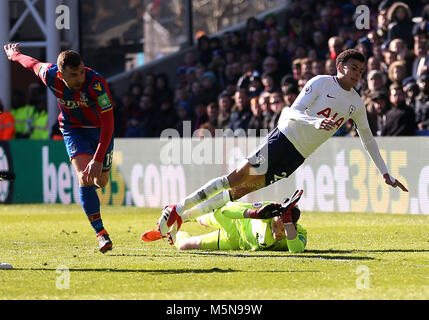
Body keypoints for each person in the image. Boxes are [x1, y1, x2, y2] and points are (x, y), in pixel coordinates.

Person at [156, 49, 409, 237]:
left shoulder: (355, 103)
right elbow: (293, 111)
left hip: (297, 156)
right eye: (354, 68)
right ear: (339, 66)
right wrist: (314, 122)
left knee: (240, 192)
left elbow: (367, 138)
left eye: (361, 71)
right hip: (283, 138)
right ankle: (178, 207)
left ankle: (184, 218)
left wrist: (384, 172)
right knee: (235, 178)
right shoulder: (321, 83)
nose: (357, 74)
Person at [4, 43, 114, 253]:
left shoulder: (97, 84)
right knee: (84, 177)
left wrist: (98, 158)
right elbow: (32, 64)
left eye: (81, 71)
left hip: (100, 130)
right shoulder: (50, 74)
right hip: (73, 129)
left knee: (102, 180)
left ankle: (97, 180)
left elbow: (109, 122)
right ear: (62, 75)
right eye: (74, 75)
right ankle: (101, 233)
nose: (80, 78)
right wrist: (15, 55)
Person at [143, 190, 306, 253]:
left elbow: (296, 250)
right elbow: (226, 210)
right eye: (276, 226)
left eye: (283, 231)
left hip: (234, 241)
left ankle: (174, 235)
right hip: (233, 222)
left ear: (294, 227)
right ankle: (181, 218)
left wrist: (286, 223)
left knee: (183, 246)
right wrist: (254, 214)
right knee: (201, 218)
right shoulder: (267, 211)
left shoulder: (297, 234)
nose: (278, 233)